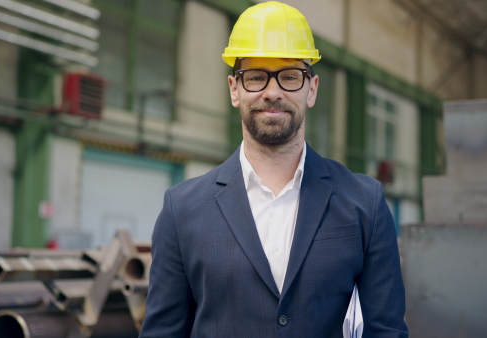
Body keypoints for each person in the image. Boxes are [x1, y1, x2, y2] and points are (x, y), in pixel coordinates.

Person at [139, 1, 408, 337]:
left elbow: (387, 329)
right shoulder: (182, 209)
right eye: (255, 77)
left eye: (290, 77)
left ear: (312, 89)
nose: (272, 92)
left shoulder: (363, 201)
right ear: (234, 90)